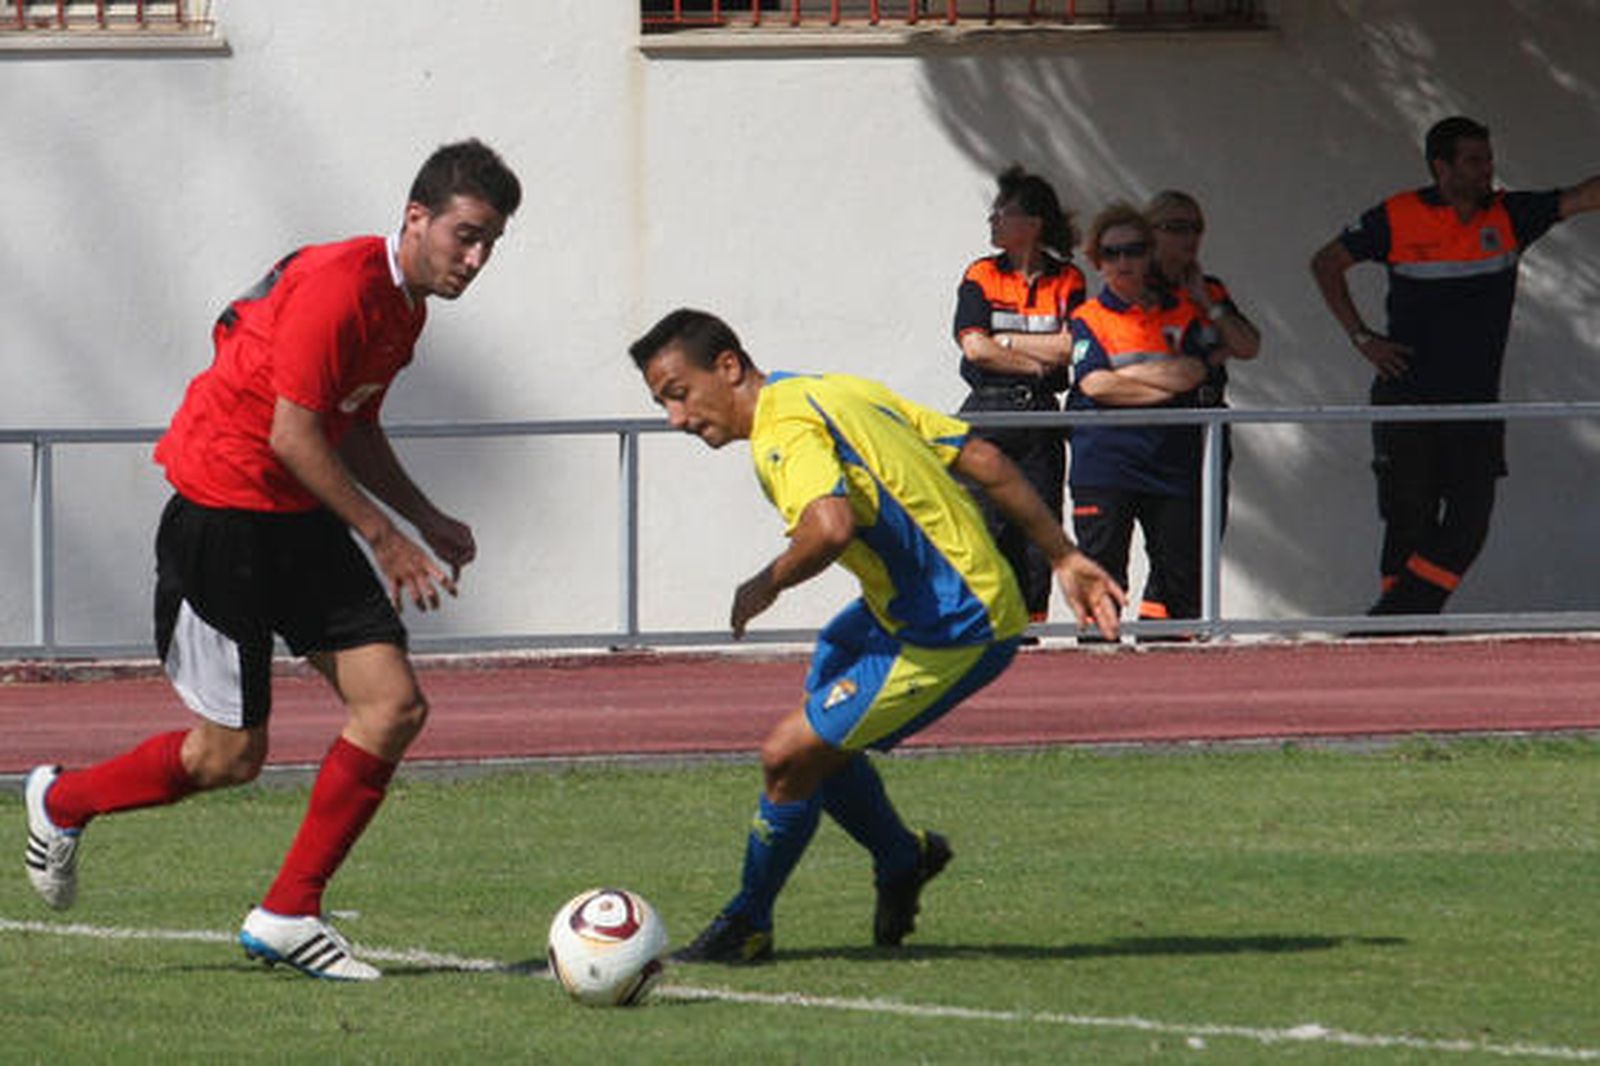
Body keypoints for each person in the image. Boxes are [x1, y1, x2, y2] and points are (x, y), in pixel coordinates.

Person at [21, 139, 522, 981]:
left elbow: (350, 425)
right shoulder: (340, 288)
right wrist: (384, 536)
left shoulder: (405, 309)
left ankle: (289, 911)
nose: (474, 259)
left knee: (393, 706)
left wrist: (424, 516)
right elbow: (293, 435)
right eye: (464, 236)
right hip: (223, 520)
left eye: (489, 246)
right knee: (229, 758)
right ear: (416, 217)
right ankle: (62, 800)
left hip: (298, 518)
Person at [628, 308, 1124, 964]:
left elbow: (829, 527)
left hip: (951, 628)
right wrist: (1061, 554)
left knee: (788, 755)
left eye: (678, 395)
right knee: (819, 742)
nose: (675, 419)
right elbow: (982, 457)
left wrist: (764, 584)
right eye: (663, 403)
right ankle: (901, 857)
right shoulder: (836, 389)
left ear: (727, 366)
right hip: (908, 610)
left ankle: (747, 924)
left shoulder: (784, 429)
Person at [1311, 116, 1600, 618]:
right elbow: (1326, 262)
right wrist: (1362, 337)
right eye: (1473, 160)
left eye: (1487, 159)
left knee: (1470, 523)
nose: (1486, 169)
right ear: (1440, 167)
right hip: (1407, 393)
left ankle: (1387, 625)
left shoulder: (1509, 214)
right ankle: (1403, 641)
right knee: (1408, 520)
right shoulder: (1398, 215)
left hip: (1475, 399)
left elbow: (1581, 197)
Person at [1066, 203, 1210, 630]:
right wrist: (1164, 388)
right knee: (1102, 579)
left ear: (1150, 254)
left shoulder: (1181, 309)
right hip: (1106, 464)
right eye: (1112, 253)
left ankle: (1178, 685)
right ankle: (1096, 679)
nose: (1124, 261)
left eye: (1133, 250)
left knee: (1180, 579)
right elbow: (1095, 385)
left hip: (1171, 462)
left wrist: (1126, 377)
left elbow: (1195, 371)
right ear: (1097, 261)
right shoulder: (1088, 316)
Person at [953, 165, 1086, 628]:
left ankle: (1028, 630)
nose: (992, 220)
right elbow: (973, 345)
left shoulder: (1067, 280)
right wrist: (1035, 362)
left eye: (1002, 212)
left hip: (1042, 416)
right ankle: (984, 624)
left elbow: (1077, 346)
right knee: (982, 523)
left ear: (1032, 224)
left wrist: (1004, 342)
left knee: (1037, 525)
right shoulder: (982, 274)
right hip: (988, 410)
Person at [1147, 189, 1262, 531]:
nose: (1191, 238)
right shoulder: (1138, 287)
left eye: (1197, 229)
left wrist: (1205, 302)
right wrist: (1210, 356)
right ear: (1151, 232)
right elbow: (1157, 359)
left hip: (1207, 422)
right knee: (1170, 547)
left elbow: (1247, 346)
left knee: (1206, 536)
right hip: (1159, 423)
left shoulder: (1209, 289)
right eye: (1178, 227)